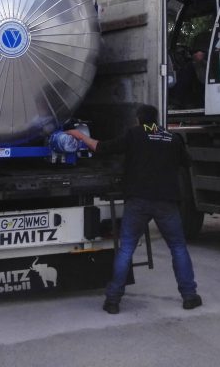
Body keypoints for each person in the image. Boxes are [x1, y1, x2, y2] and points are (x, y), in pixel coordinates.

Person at [67, 105, 201, 314]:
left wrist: (78, 135)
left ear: (139, 119)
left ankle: (113, 300)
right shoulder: (172, 138)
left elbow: (101, 147)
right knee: (177, 247)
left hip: (138, 201)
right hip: (166, 202)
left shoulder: (134, 135)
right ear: (156, 120)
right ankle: (189, 296)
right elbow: (187, 162)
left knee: (127, 248)